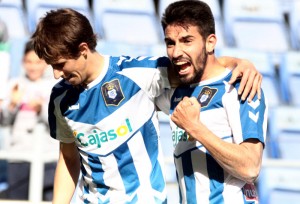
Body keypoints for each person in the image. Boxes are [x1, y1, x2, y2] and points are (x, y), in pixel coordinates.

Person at [31, 8, 262, 203]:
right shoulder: (60, 98)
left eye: (60, 65)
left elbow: (196, 63)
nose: (55, 74)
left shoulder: (138, 74)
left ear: (82, 50)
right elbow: (69, 158)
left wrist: (239, 63)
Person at [156, 1, 268, 203]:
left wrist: (195, 127)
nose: (176, 52)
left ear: (210, 42)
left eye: (186, 40)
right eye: (170, 43)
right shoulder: (174, 92)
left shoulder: (239, 87)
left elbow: (250, 167)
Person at [0, 40, 58, 200]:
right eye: (29, 62)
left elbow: (62, 123)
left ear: (46, 63)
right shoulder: (13, 85)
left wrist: (42, 109)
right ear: (22, 62)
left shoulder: (56, 87)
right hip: (18, 157)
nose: (33, 67)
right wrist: (12, 104)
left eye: (38, 62)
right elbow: (3, 121)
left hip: (49, 158)